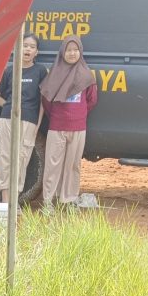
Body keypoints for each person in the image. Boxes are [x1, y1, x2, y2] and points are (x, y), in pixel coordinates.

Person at [39, 35, 97, 209]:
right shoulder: (54, 74)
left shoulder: (87, 75)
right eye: (68, 50)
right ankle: (48, 200)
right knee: (52, 164)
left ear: (80, 51)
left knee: (73, 165)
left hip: (78, 128)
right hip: (56, 126)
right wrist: (58, 116)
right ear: (62, 53)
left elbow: (91, 100)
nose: (72, 53)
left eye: (75, 50)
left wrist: (78, 115)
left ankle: (69, 199)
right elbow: (46, 101)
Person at [0, 34, 48, 205]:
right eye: (25, 45)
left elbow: (42, 100)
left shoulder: (40, 71)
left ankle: (14, 202)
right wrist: (10, 104)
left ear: (36, 52)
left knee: (22, 159)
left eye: (32, 46)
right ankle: (5, 202)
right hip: (8, 119)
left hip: (29, 120)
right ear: (18, 48)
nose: (28, 49)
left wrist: (38, 122)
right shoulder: (10, 70)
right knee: (4, 157)